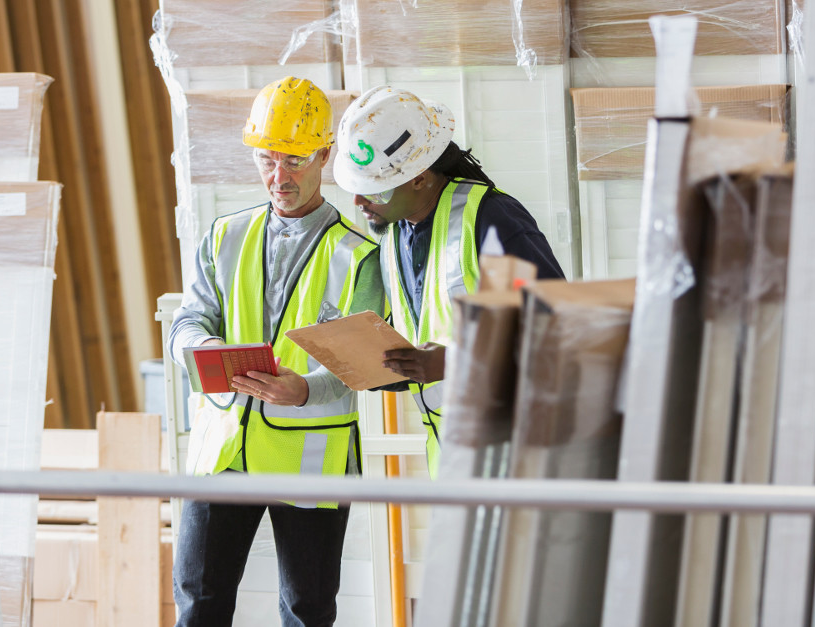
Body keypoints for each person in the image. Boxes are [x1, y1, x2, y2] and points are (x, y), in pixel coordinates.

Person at [168, 77, 384, 627]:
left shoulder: (358, 256)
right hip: (223, 452)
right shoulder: (224, 236)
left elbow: (360, 364)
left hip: (309, 459)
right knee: (199, 601)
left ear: (324, 156)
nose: (278, 177)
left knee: (307, 609)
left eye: (293, 160)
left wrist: (306, 388)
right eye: (267, 160)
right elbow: (188, 320)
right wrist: (203, 345)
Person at [332, 85, 564, 478]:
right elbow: (427, 352)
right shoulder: (394, 237)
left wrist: (451, 363)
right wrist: (378, 365)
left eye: (374, 189)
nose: (359, 202)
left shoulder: (492, 221)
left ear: (420, 178)